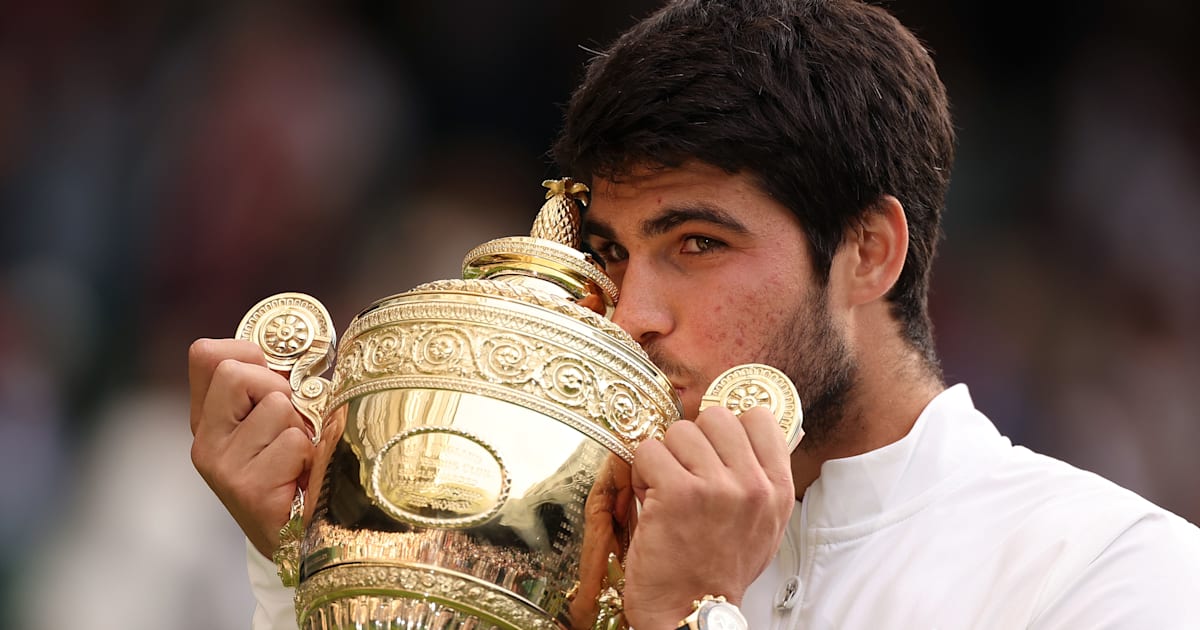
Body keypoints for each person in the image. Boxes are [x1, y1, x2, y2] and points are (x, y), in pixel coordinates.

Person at [188, 0, 1200, 628]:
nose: (631, 314)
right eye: (613, 253)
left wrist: (690, 623)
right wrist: (316, 563)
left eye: (698, 245)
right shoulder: (568, 532)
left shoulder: (1107, 572)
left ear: (870, 251)